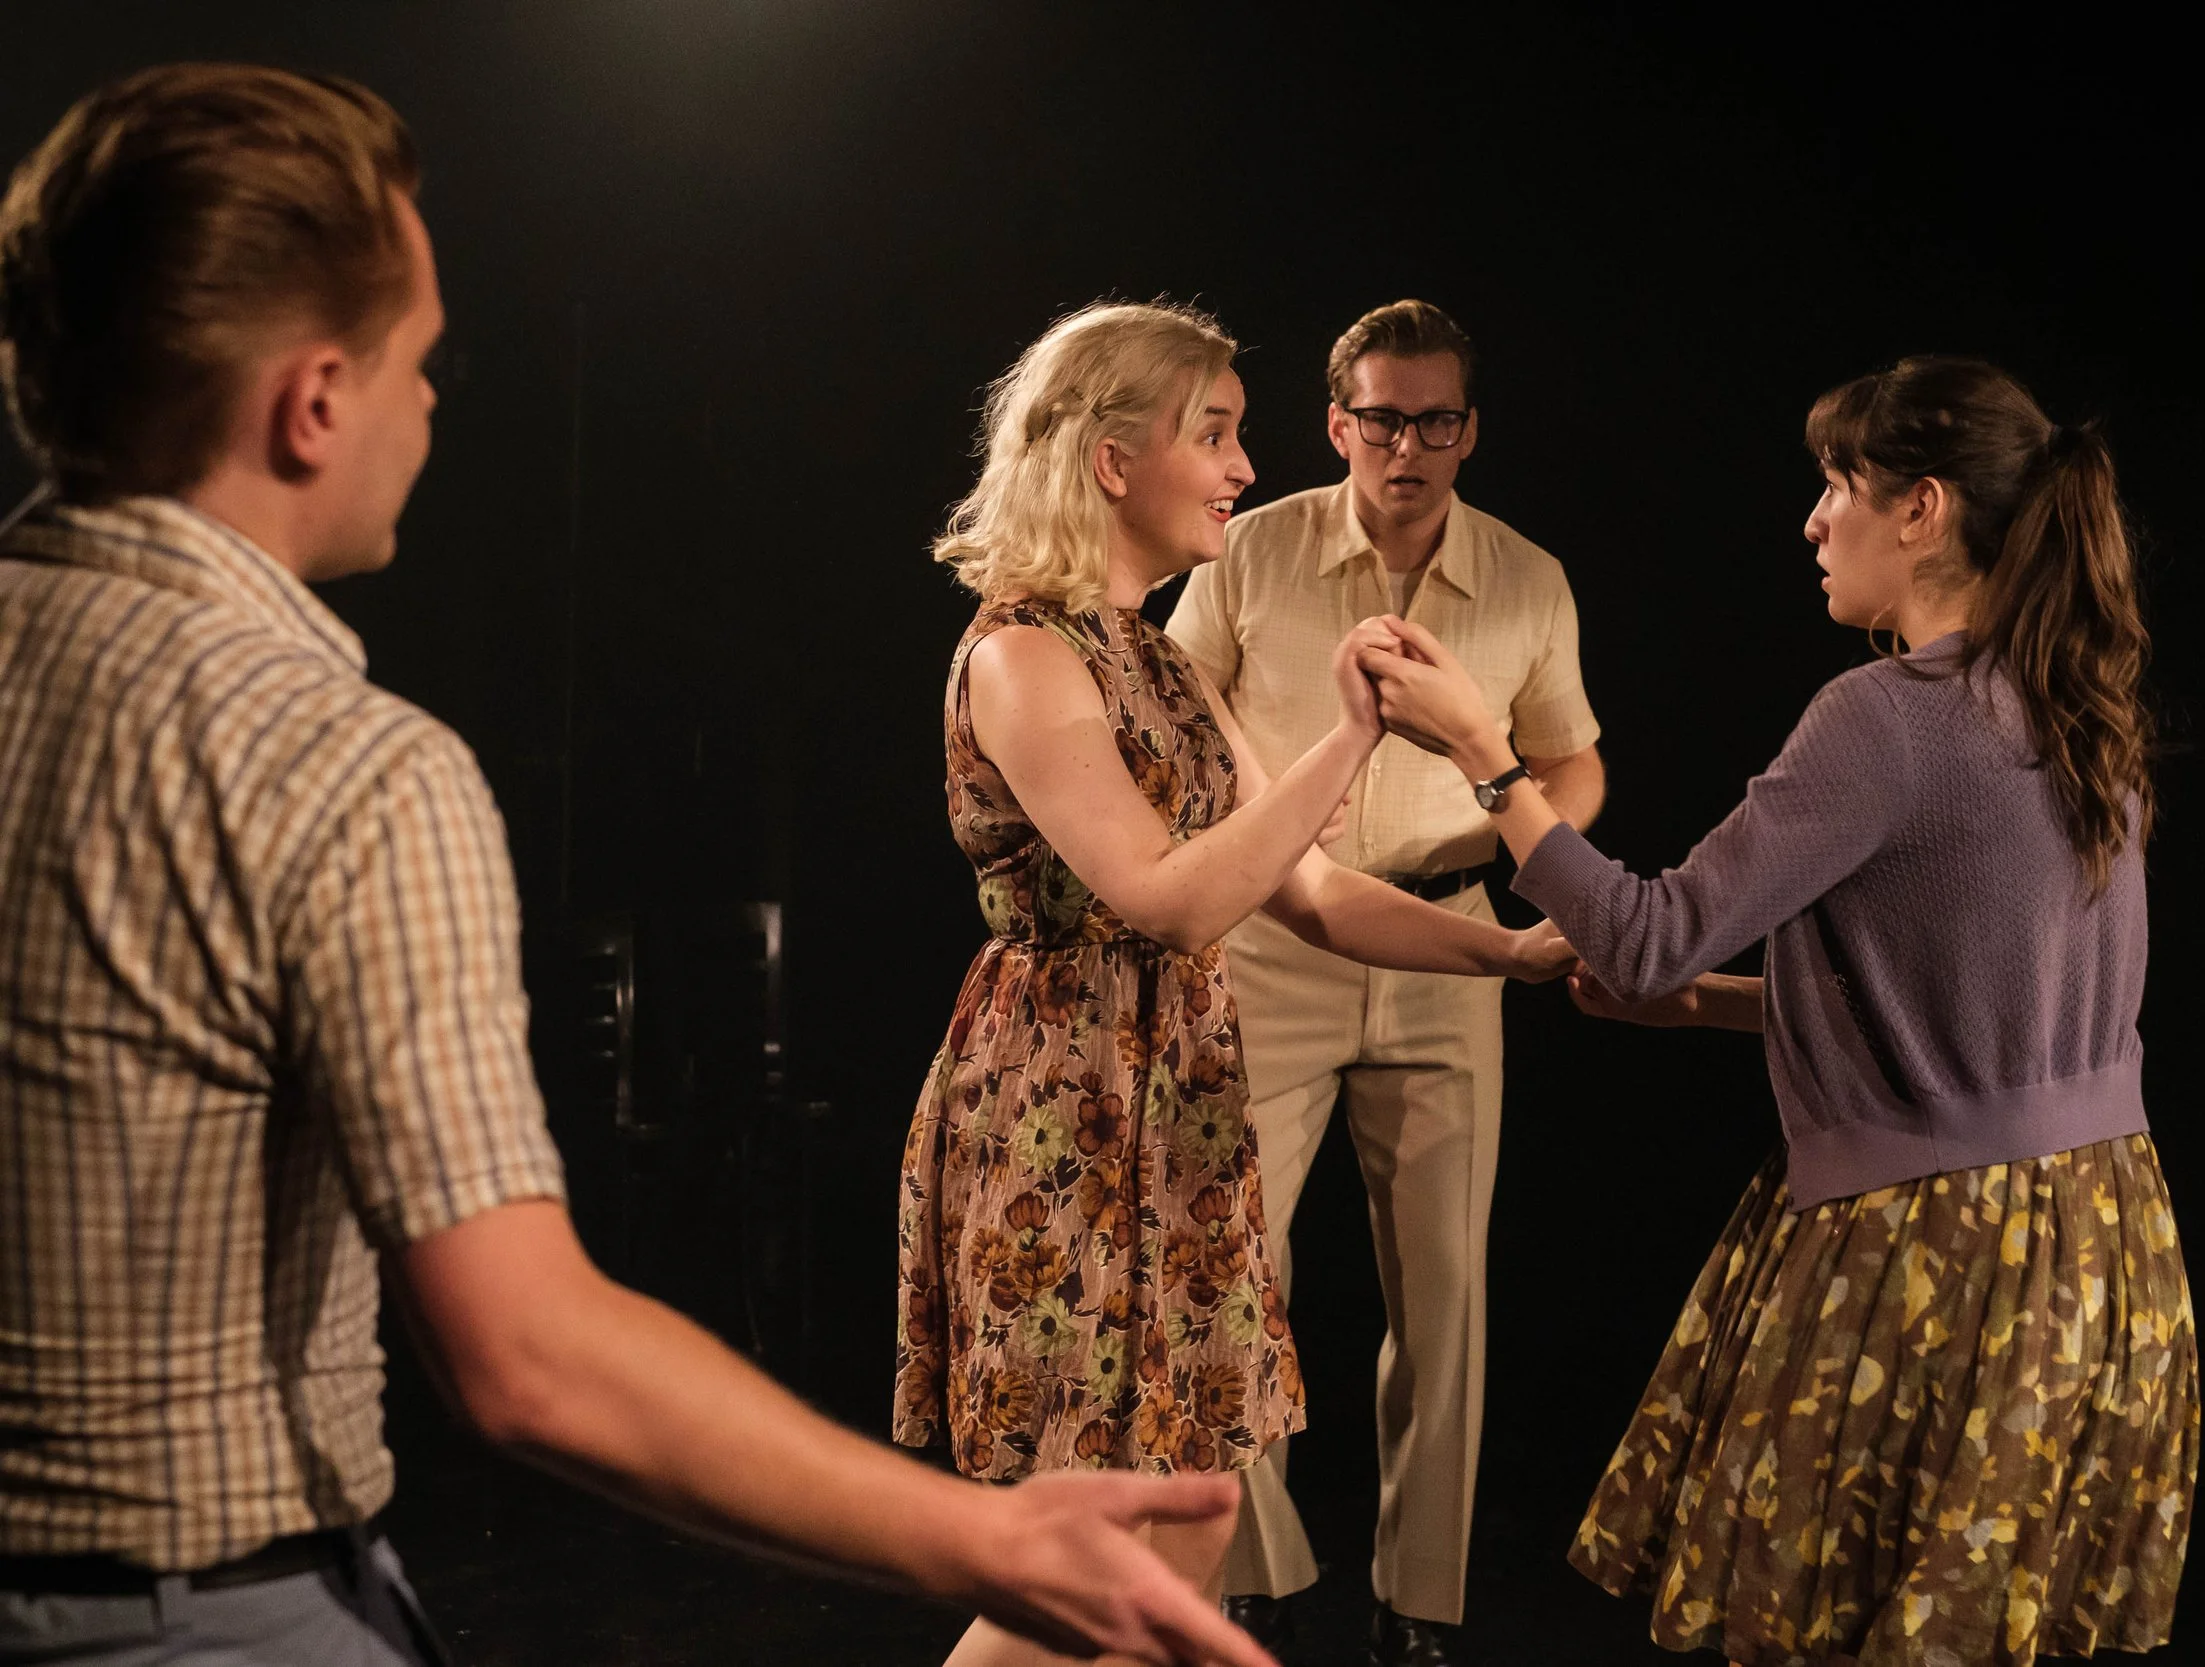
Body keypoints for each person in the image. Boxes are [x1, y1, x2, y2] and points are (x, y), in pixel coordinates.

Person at [0, 65, 1279, 1667]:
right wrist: (984, 1541)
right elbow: (529, 1360)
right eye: (420, 362)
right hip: (203, 1609)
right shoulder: (341, 771)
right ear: (313, 401)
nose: (434, 406)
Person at [1359, 357, 2198, 1665]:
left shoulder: (1887, 719)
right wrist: (1713, 1008)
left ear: (1921, 509)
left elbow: (1642, 939)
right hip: (2102, 1246)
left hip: (1937, 1254)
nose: (1813, 522)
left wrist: (1485, 754)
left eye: (1837, 487)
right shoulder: (2075, 699)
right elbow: (1973, 1018)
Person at [895, 300, 1575, 1667]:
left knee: (1196, 1509)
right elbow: (1170, 895)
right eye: (1212, 434)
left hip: (1185, 1114)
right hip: (1071, 1110)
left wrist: (1510, 950)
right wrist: (1353, 734)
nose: (1243, 468)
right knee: (1086, 1553)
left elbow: (1312, 893)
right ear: (1111, 461)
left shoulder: (1155, 659)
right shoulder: (1025, 655)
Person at [1165, 299, 1603, 1666]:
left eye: (1434, 420)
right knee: (1234, 1265)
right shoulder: (1251, 550)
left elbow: (1571, 757)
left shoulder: (1526, 577)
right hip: (1275, 940)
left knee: (1445, 1292)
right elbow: (1175, 713)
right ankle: (1255, 1574)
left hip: (1445, 941)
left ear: (1468, 431)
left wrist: (1546, 855)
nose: (1406, 446)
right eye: (1381, 418)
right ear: (1337, 423)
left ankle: (1421, 1604)